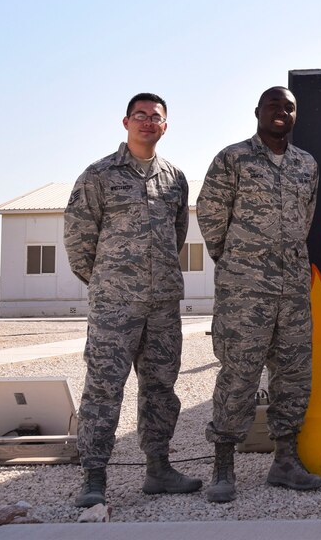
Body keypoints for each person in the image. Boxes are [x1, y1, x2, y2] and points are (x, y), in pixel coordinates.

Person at [64, 93, 201, 507]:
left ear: (165, 125)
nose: (147, 122)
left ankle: (158, 469)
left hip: (162, 305)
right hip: (115, 306)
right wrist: (109, 283)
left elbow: (176, 236)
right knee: (104, 389)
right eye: (139, 116)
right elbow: (78, 240)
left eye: (155, 117)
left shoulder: (175, 178)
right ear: (125, 122)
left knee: (161, 388)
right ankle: (94, 477)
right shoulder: (99, 175)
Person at [197, 86, 321, 503]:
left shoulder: (306, 165)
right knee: (238, 375)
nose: (281, 112)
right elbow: (212, 218)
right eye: (274, 105)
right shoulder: (233, 159)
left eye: (289, 107)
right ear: (258, 112)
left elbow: (306, 219)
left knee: (293, 375)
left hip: (292, 292)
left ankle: (285, 462)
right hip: (245, 293)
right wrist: (237, 263)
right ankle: (223, 467)